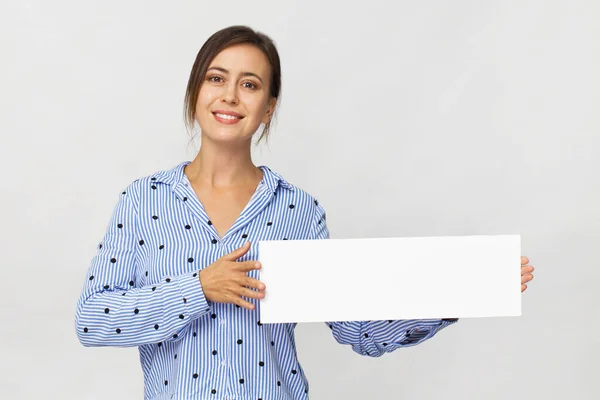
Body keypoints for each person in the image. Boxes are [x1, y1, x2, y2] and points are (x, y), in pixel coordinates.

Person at [75, 25, 535, 400]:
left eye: (249, 84)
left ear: (269, 108)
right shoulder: (143, 200)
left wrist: (460, 290)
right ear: (196, 90)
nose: (230, 96)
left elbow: (358, 330)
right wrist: (199, 289)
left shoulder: (297, 210)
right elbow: (93, 319)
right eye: (217, 78)